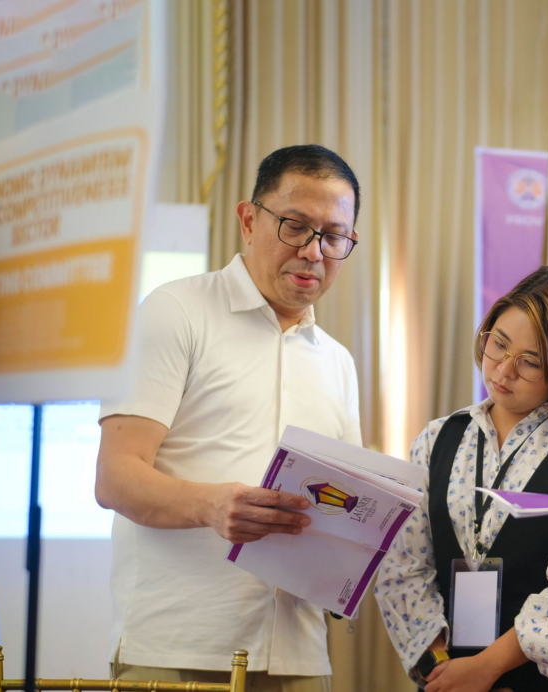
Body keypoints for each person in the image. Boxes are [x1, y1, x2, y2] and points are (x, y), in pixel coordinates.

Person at [95, 145, 363, 692]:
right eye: (295, 226)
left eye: (333, 236)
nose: (313, 251)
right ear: (248, 220)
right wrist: (213, 506)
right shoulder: (176, 312)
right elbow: (115, 477)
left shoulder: (337, 361)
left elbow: (345, 505)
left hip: (299, 654)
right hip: (179, 644)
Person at [374, 267, 548, 691]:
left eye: (530, 361)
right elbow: (403, 567)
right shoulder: (437, 438)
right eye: (498, 343)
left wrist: (486, 668)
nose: (503, 369)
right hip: (450, 677)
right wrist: (441, 666)